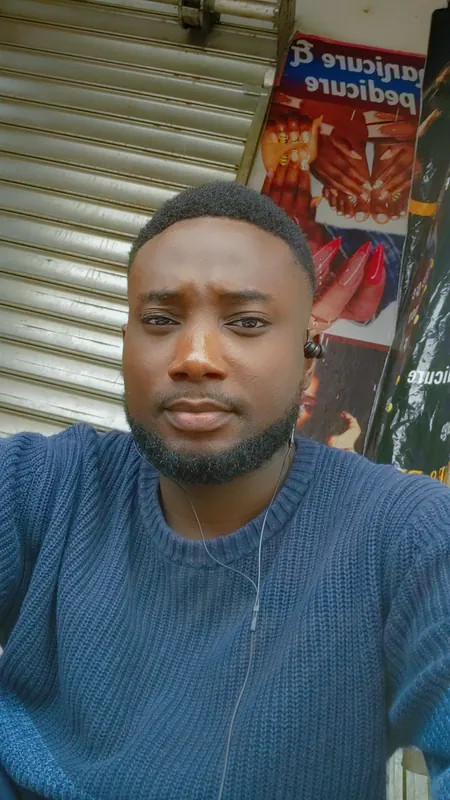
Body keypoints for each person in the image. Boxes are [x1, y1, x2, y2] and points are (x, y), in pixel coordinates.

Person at [0, 182, 449, 800]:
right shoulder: (42, 486)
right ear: (125, 346)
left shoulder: (409, 537)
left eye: (247, 322)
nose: (195, 357)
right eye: (160, 320)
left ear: (309, 358)